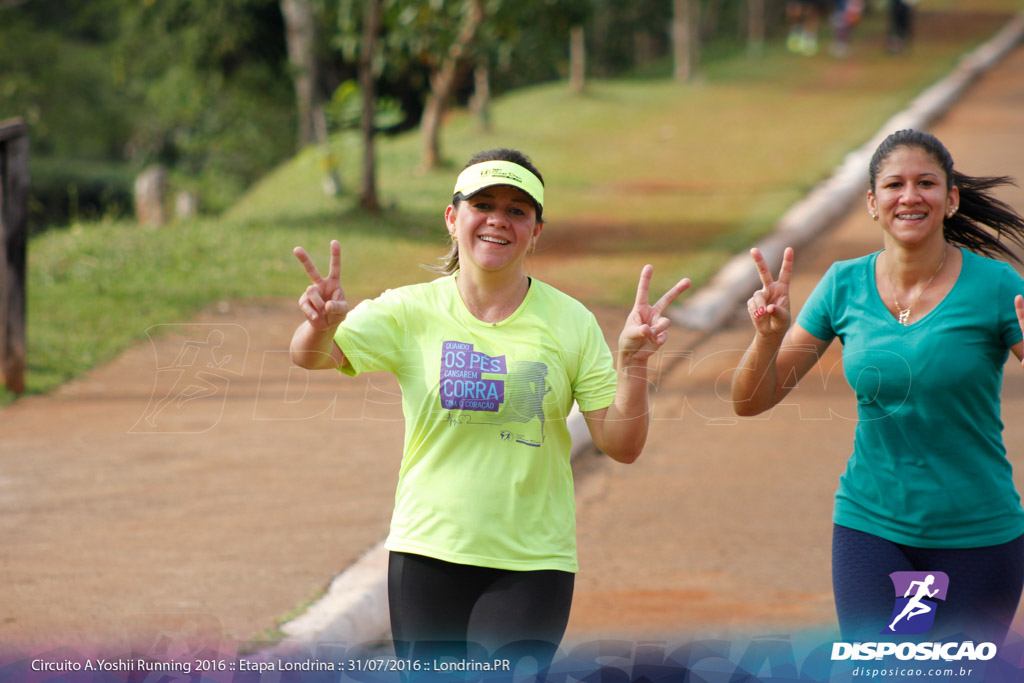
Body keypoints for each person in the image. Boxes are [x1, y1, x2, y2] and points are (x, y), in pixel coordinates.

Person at [290, 148, 690, 666]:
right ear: (454, 218)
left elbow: (622, 444)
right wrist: (320, 324)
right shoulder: (410, 309)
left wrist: (633, 365)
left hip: (531, 562)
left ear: (536, 231)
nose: (499, 219)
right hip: (427, 551)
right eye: (484, 204)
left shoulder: (571, 322)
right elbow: (310, 357)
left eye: (517, 210)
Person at [731, 129, 1024, 645]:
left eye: (926, 183)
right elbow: (751, 400)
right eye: (894, 185)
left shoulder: (998, 288)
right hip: (873, 525)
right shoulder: (843, 284)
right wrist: (767, 338)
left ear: (950, 199)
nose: (909, 196)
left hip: (980, 533)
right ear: (873, 203)